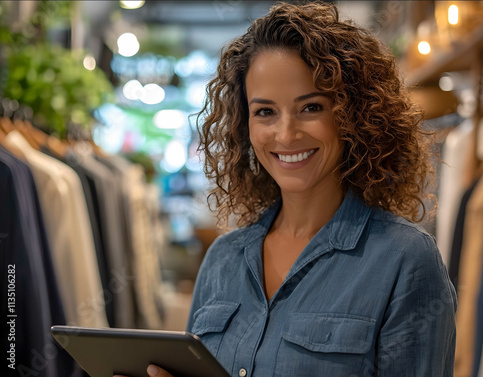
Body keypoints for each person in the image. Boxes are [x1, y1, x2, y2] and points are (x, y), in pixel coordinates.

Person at [115, 2, 457, 376]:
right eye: (265, 112)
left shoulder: (405, 261)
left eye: (311, 107)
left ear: (352, 115)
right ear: (244, 124)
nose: (286, 134)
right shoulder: (222, 259)